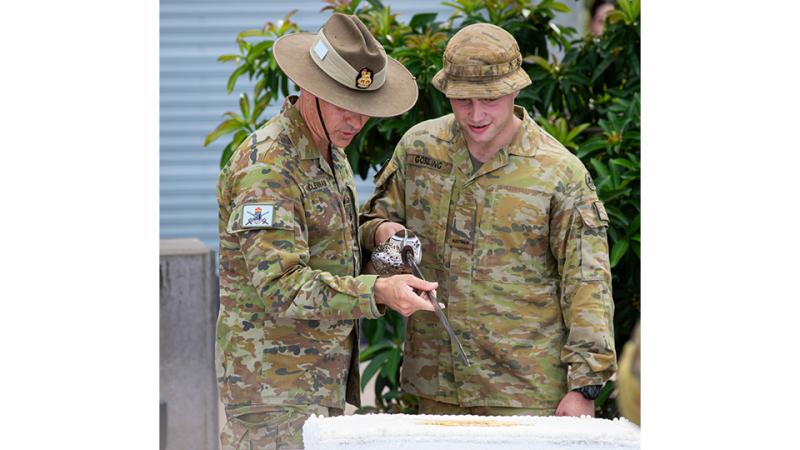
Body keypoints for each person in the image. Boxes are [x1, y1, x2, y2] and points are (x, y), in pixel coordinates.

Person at [359, 23, 617, 417]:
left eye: (491, 99)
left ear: (515, 90)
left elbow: (586, 281)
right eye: (462, 100)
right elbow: (367, 227)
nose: (476, 114)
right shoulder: (419, 149)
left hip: (525, 393)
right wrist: (381, 233)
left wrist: (585, 386)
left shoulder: (559, 172)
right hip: (436, 385)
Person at [215, 13, 438, 450]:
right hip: (272, 394)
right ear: (310, 90)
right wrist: (379, 291)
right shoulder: (268, 165)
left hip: (317, 383)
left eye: (365, 110)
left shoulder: (329, 150)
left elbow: (324, 236)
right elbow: (283, 286)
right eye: (344, 105)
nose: (356, 121)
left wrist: (377, 235)